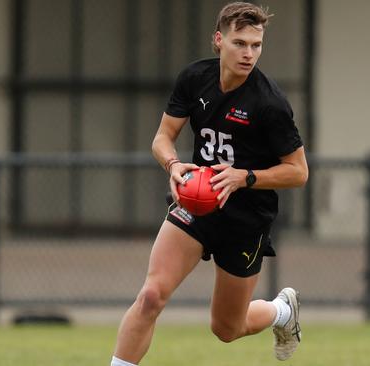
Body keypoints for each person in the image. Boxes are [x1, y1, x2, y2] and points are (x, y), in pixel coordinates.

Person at [110, 2, 308, 365]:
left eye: (256, 45)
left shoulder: (270, 103)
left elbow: (298, 171)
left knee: (226, 329)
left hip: (246, 218)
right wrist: (172, 165)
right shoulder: (194, 78)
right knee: (151, 296)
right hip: (197, 203)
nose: (249, 53)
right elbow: (162, 138)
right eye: (239, 43)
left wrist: (245, 177)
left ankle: (282, 310)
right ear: (219, 40)